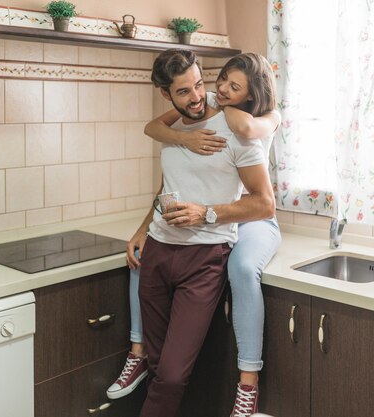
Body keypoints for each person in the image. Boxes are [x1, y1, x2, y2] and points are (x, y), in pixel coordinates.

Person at [107, 53, 281, 417]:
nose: (198, 96)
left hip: (203, 258)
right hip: (157, 252)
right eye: (184, 91)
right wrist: (143, 229)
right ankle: (138, 357)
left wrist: (207, 213)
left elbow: (265, 205)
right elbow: (165, 187)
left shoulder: (238, 132)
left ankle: (249, 382)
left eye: (200, 84)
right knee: (158, 367)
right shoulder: (171, 132)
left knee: (170, 375)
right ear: (165, 94)